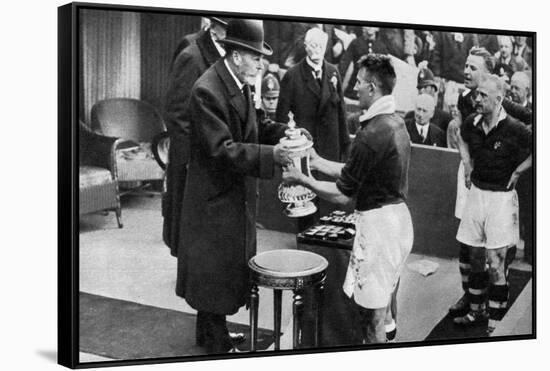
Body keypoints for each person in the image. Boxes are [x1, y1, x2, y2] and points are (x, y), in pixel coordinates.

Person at [175, 19, 292, 354]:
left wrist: (283, 133)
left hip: (230, 196)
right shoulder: (206, 89)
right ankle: (215, 346)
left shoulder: (238, 82)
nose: (260, 63)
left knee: (223, 270)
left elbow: (253, 127)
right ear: (237, 55)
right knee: (214, 272)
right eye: (255, 57)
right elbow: (221, 149)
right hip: (213, 200)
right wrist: (274, 156)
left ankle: (215, 333)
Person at [283, 54, 413, 343]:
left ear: (373, 87)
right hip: (398, 223)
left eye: (359, 82)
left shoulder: (371, 133)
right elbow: (359, 170)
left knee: (372, 322)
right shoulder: (394, 123)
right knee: (379, 314)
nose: (354, 87)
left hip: (380, 231)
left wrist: (302, 178)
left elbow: (343, 195)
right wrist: (316, 161)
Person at [453, 74, 532, 334]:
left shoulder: (514, 128)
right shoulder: (471, 123)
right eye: (477, 94)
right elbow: (459, 135)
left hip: (501, 199)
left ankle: (495, 326)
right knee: (475, 255)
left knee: (496, 261)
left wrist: (519, 171)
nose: (477, 98)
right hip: (476, 193)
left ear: (498, 100)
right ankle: (476, 310)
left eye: (483, 96)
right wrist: (466, 162)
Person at [162, 16, 228, 257]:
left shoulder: (227, 54)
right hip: (193, 158)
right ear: (216, 28)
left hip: (214, 152)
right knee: (188, 226)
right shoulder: (192, 55)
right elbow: (177, 114)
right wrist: (190, 159)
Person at [276, 27, 350, 163]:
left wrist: (345, 145)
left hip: (331, 150)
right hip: (305, 150)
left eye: (321, 46)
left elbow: (341, 112)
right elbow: (281, 118)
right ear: (305, 46)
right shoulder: (292, 76)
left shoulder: (333, 72)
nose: (317, 50)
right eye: (313, 45)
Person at [404, 67, 452, 133]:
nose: (422, 91)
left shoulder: (445, 119)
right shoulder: (410, 116)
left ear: (433, 90)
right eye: (420, 88)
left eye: (425, 87)